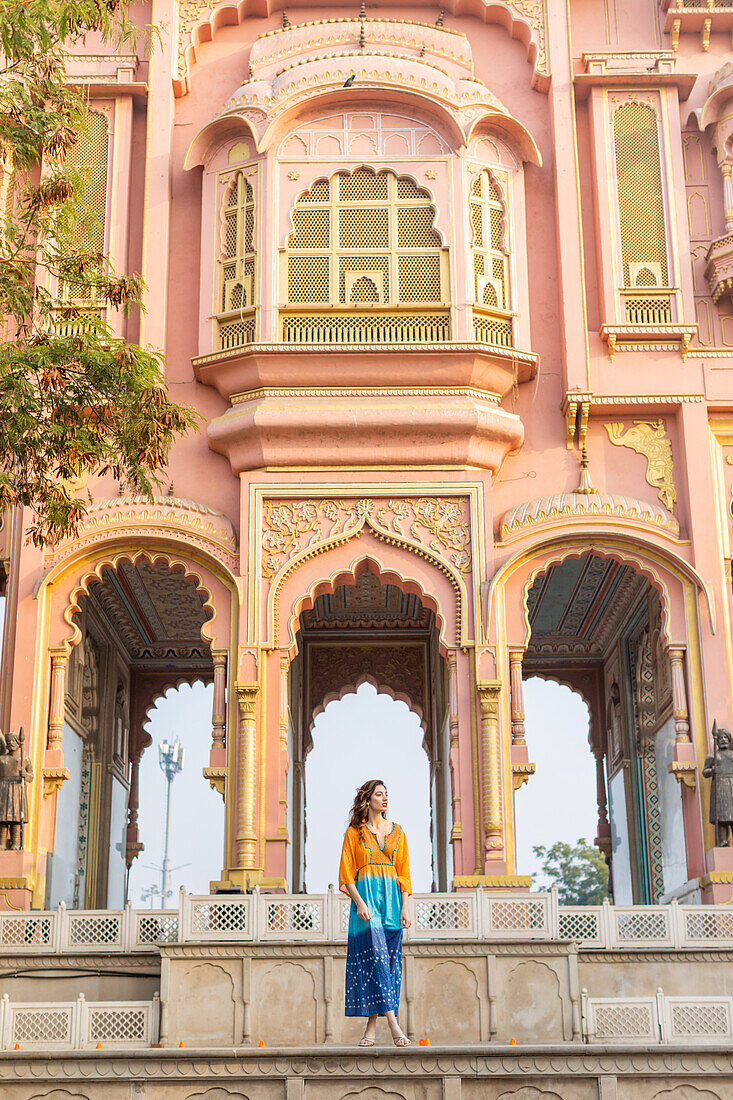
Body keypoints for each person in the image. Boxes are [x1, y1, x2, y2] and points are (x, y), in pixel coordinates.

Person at [338, 778, 412, 1047]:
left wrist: (405, 906)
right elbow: (346, 876)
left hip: (392, 904)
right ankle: (394, 1025)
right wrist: (359, 903)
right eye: (379, 794)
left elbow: (403, 873)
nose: (385, 798)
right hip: (366, 904)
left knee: (388, 965)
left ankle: (370, 1029)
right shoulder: (354, 833)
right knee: (376, 961)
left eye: (387, 794)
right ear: (367, 800)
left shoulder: (398, 832)